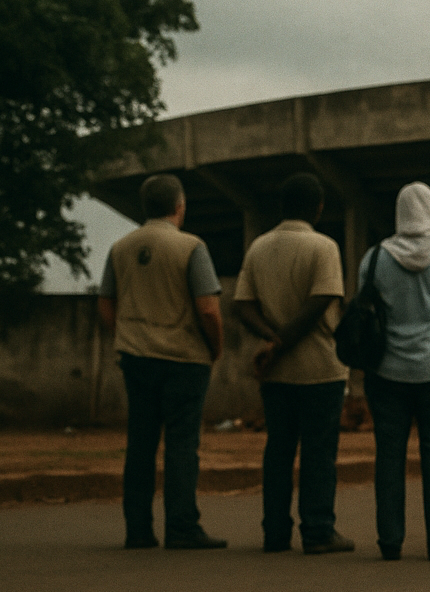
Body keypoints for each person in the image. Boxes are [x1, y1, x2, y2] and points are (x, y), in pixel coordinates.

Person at [97, 174, 226, 550]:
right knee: (182, 444)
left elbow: (106, 302)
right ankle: (182, 526)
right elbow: (208, 309)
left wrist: (125, 334)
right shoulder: (191, 247)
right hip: (184, 358)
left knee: (140, 442)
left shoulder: (120, 248)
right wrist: (214, 348)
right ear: (180, 206)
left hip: (136, 356)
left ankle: (138, 529)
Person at [233, 173, 353, 554]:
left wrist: (270, 341)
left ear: (281, 207)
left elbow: (243, 305)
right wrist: (280, 344)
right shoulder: (324, 247)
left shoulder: (258, 248)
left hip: (276, 375)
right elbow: (320, 303)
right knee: (319, 453)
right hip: (320, 369)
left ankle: (275, 532)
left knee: (279, 450)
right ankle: (318, 531)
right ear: (318, 208)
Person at [359, 181, 430, 560]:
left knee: (389, 453)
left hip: (386, 371)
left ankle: (390, 540)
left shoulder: (373, 259)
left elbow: (366, 316)